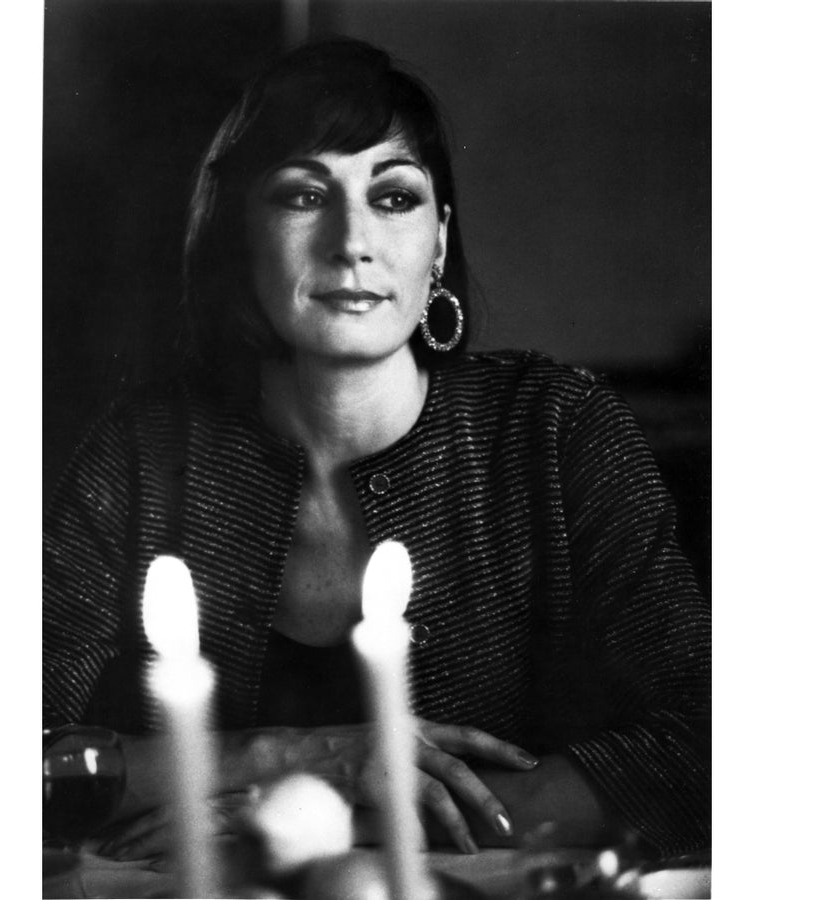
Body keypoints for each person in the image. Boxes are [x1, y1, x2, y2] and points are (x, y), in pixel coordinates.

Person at [43, 38, 710, 862]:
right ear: (235, 237)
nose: (350, 240)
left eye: (393, 197)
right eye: (301, 195)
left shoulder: (556, 430)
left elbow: (715, 745)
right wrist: (282, 755)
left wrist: (305, 827)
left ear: (437, 244)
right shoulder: (136, 459)